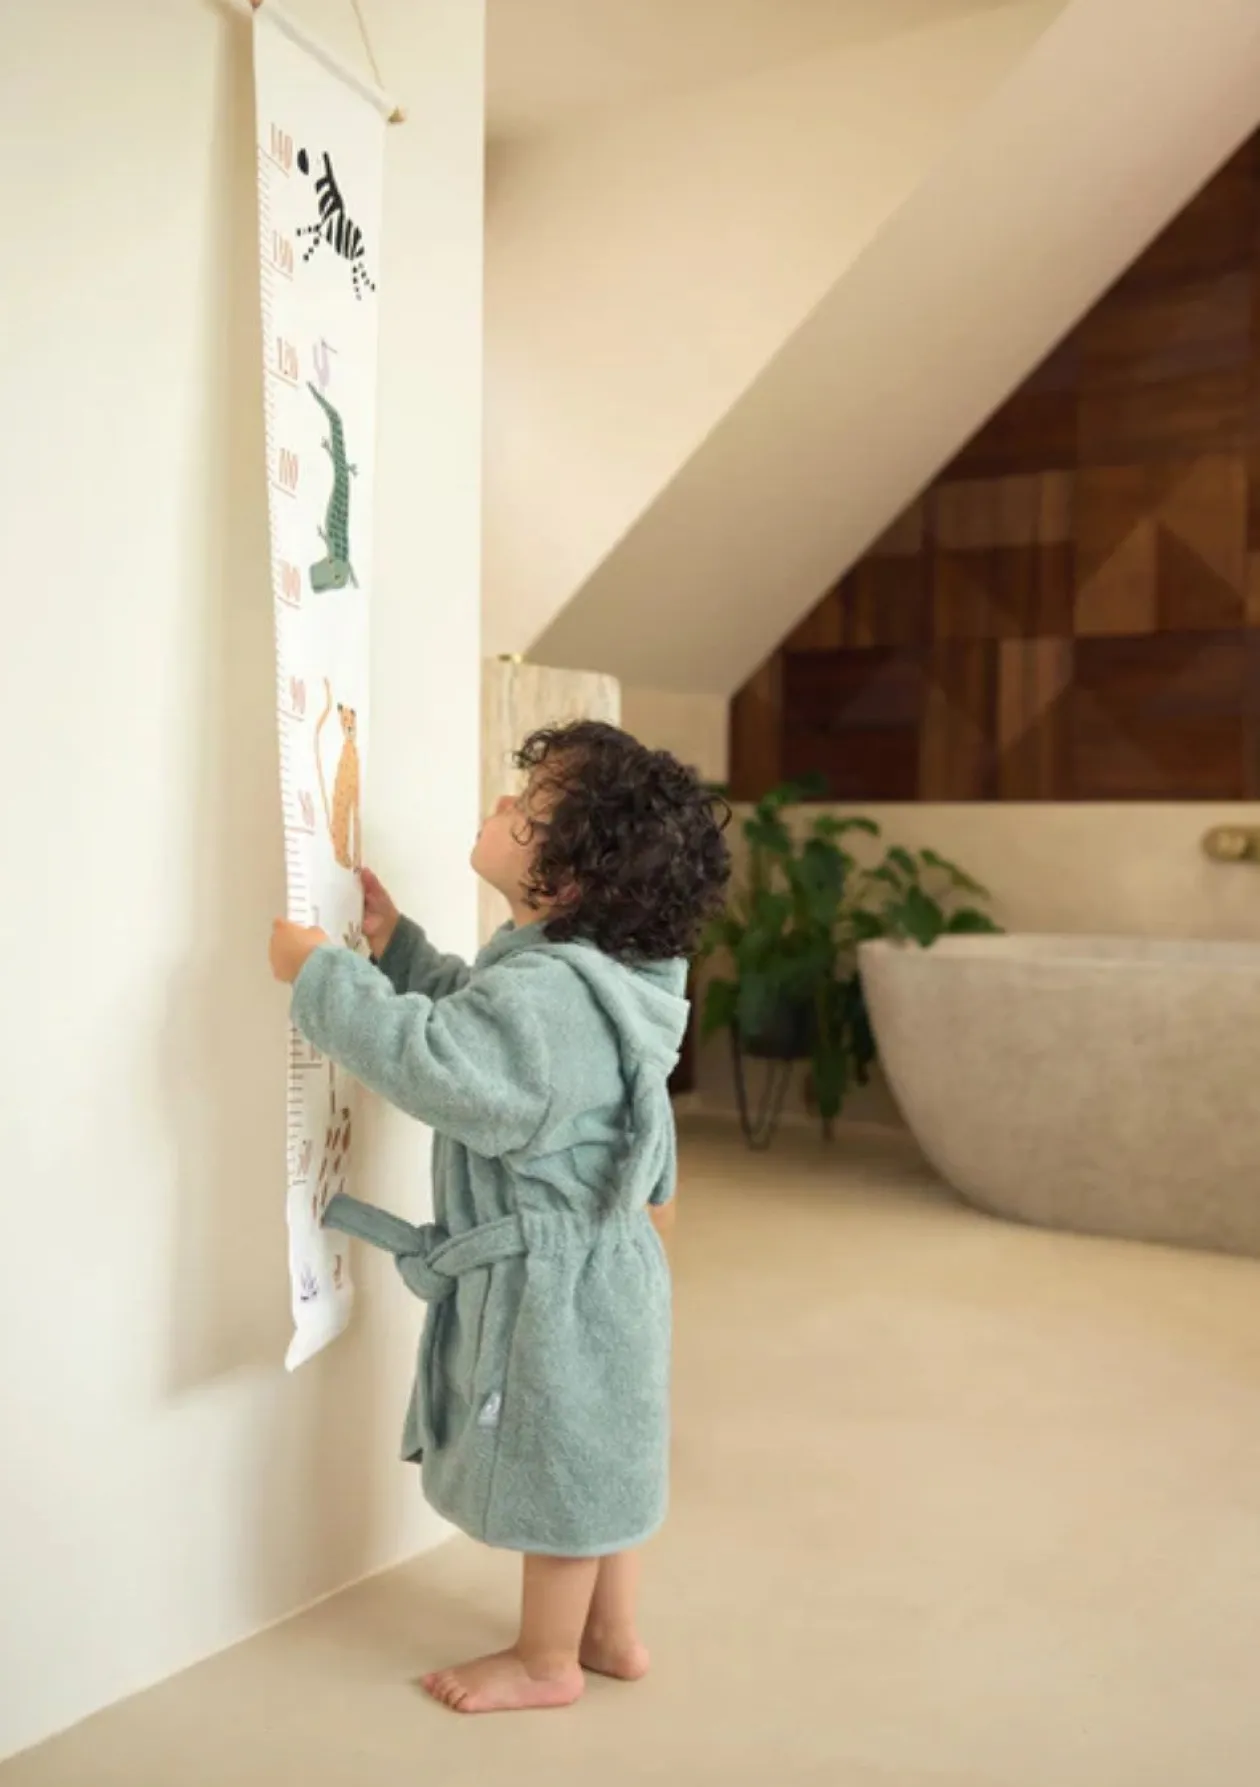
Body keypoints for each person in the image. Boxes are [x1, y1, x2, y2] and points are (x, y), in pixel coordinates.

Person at [268, 722, 730, 1715]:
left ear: (566, 879)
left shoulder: (552, 997)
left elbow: (442, 1063)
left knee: (558, 1458)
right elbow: (479, 1026)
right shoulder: (582, 982)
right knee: (604, 1448)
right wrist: (401, 949)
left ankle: (545, 1659)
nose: (506, 803)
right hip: (606, 1266)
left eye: (532, 805)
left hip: (556, 1287)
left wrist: (322, 976)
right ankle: (608, 1633)